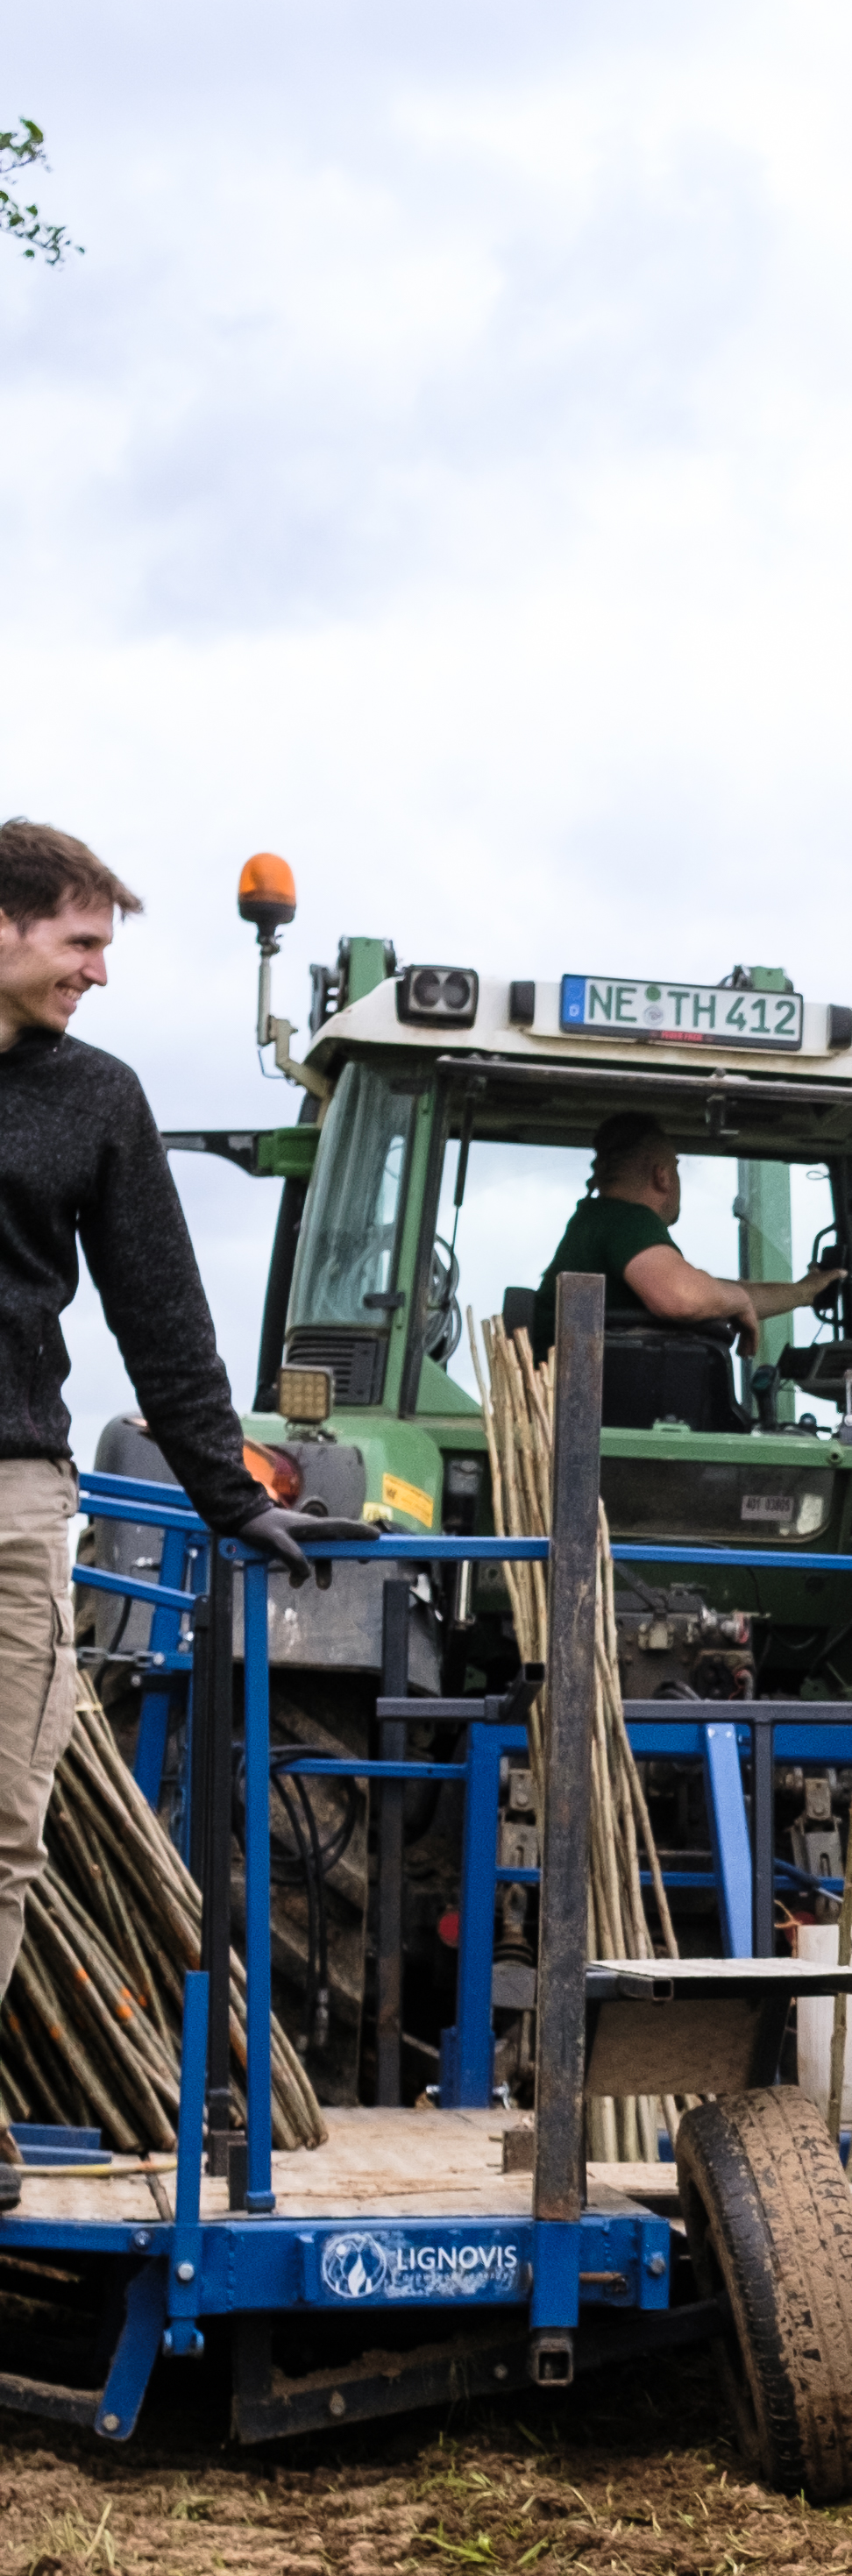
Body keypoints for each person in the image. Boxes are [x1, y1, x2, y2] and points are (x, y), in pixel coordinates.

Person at [0, 820, 316, 2209]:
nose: (100, 975)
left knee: (3, 1819)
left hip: (11, 1491)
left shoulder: (97, 1099)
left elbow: (157, 1305)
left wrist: (221, 1488)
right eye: (79, 944)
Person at [538, 1118, 828, 1354]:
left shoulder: (596, 1222)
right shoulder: (625, 1219)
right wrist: (738, 1300)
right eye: (676, 1167)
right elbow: (681, 1297)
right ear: (662, 1176)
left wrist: (802, 1293)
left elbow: (707, 1292)